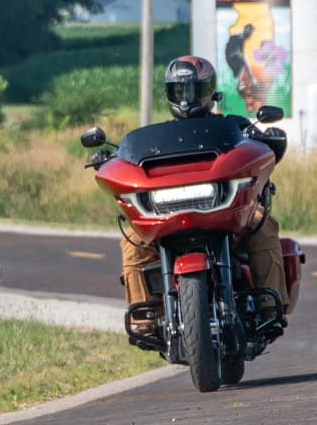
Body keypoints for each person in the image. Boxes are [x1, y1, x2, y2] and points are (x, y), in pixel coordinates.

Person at [118, 54, 288, 329]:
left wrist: (265, 139)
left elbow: (258, 148)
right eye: (178, 90)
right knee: (132, 242)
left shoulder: (234, 127)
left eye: (193, 90)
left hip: (227, 213)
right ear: (168, 94)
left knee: (262, 225)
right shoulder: (159, 140)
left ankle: (270, 305)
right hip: (169, 216)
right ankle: (144, 315)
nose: (185, 98)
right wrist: (113, 156)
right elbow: (130, 158)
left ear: (210, 91)